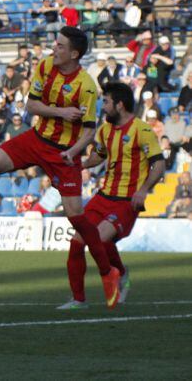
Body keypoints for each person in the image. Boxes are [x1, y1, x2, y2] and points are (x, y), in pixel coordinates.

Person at [0, 27, 122, 309]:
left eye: (61, 46)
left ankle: (107, 272)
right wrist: (61, 112)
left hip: (65, 154)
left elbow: (90, 131)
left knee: (76, 217)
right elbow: (32, 105)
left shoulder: (87, 87)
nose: (55, 49)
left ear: (75, 54)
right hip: (36, 139)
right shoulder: (45, 66)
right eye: (55, 44)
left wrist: (74, 152)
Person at [58, 83, 165, 310]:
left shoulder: (142, 130)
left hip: (127, 200)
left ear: (120, 104)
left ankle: (121, 273)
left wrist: (144, 189)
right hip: (103, 196)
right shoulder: (104, 131)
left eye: (106, 102)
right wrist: (83, 165)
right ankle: (78, 300)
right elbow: (100, 156)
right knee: (77, 243)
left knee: (99, 238)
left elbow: (159, 164)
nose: (102, 107)